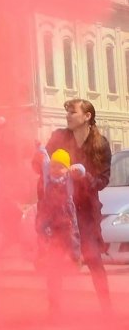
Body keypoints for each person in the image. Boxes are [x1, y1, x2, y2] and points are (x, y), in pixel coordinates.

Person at [35, 99, 112, 313]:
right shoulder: (59, 137)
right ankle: (55, 309)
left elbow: (102, 181)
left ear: (87, 116)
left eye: (73, 112)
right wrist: (38, 158)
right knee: (55, 257)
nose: (68, 116)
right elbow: (41, 166)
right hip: (59, 208)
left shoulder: (100, 144)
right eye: (67, 112)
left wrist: (84, 177)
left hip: (86, 212)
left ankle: (107, 309)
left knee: (93, 257)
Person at [34, 147, 82, 317]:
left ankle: (76, 257)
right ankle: (54, 303)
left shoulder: (68, 178)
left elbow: (80, 171)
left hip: (66, 219)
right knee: (41, 234)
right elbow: (46, 162)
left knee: (73, 236)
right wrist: (40, 149)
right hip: (51, 221)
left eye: (60, 167)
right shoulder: (48, 179)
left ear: (66, 169)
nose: (55, 170)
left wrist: (77, 169)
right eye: (54, 166)